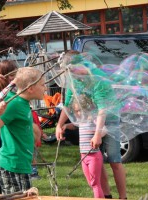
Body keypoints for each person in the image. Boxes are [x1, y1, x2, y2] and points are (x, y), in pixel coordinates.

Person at [55, 50, 127, 199]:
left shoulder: (97, 79)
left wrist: (97, 134)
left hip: (109, 118)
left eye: (71, 70)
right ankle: (106, 195)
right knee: (96, 159)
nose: (70, 74)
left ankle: (123, 197)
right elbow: (67, 105)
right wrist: (59, 125)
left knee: (114, 159)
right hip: (90, 119)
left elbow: (102, 110)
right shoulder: (73, 80)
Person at [0, 67, 47, 194]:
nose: (45, 88)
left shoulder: (24, 102)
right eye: (42, 85)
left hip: (21, 164)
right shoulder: (13, 104)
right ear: (30, 88)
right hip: (11, 165)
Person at [61, 101, 105, 198]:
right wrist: (66, 126)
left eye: (79, 110)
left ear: (87, 109)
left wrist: (98, 135)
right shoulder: (81, 121)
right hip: (83, 157)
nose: (77, 113)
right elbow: (74, 125)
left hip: (94, 156)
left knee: (95, 183)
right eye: (75, 111)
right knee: (91, 183)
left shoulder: (93, 120)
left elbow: (104, 129)